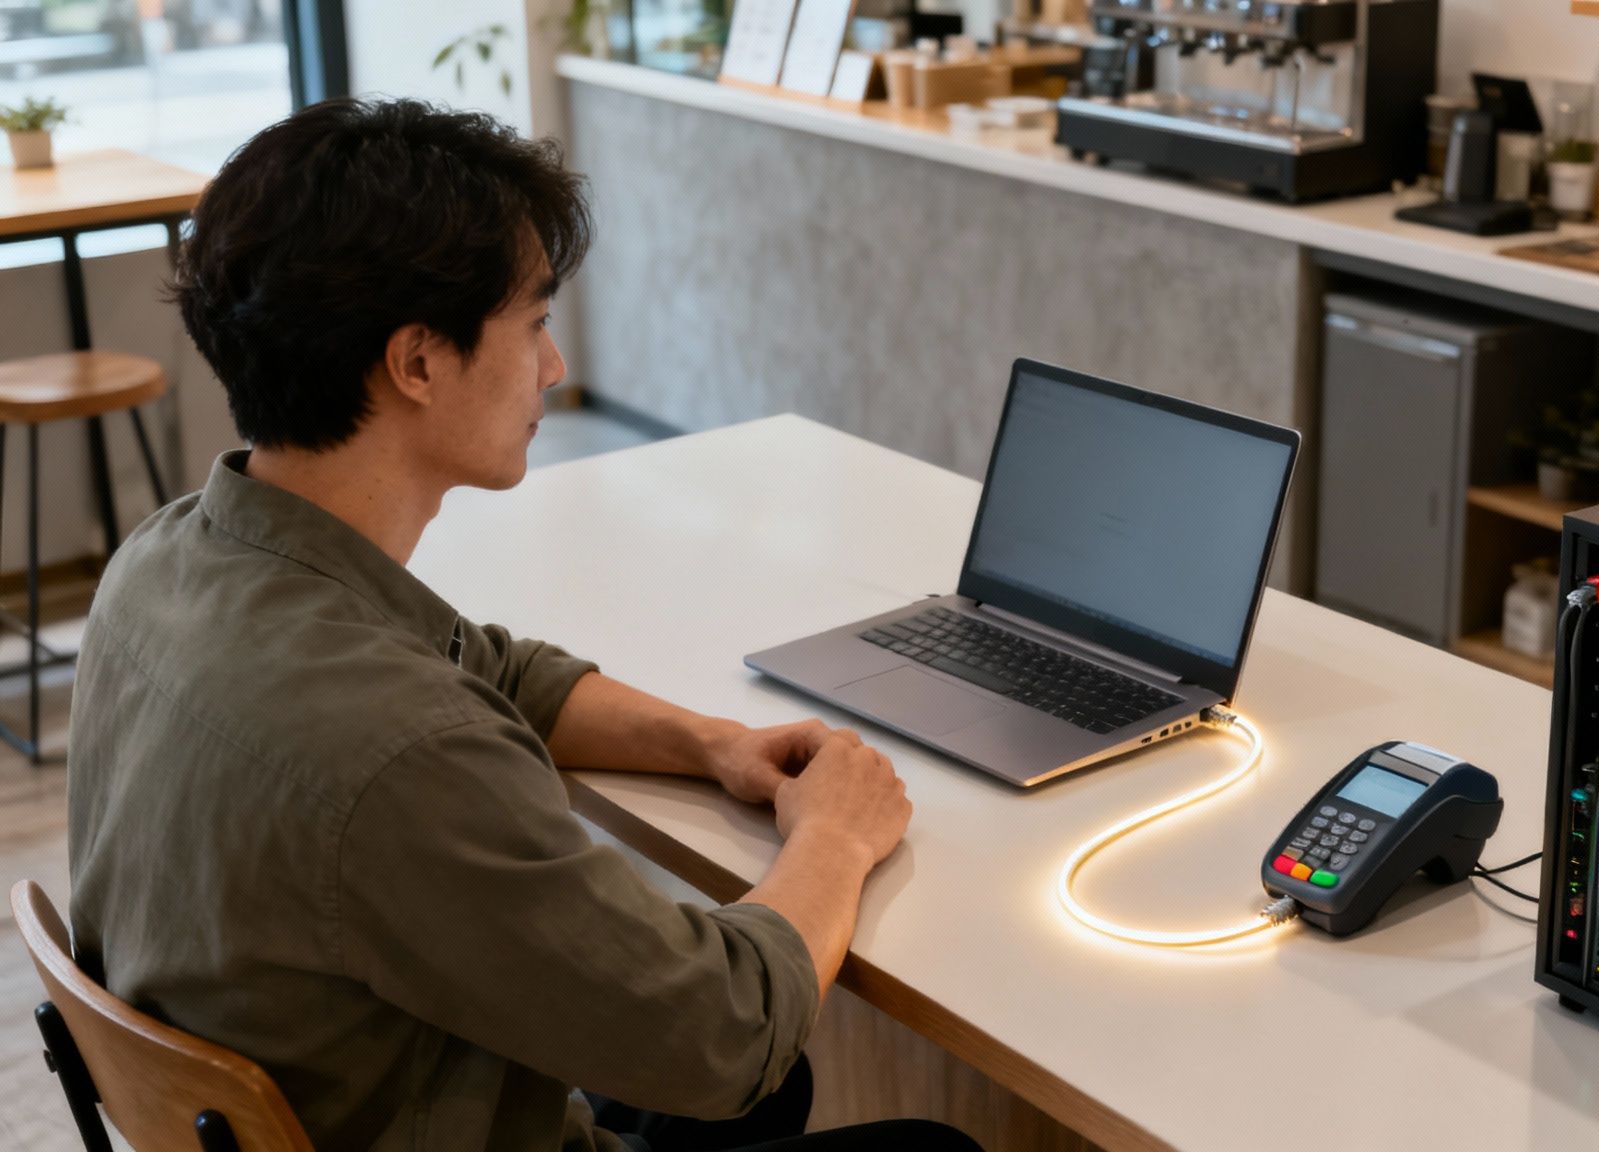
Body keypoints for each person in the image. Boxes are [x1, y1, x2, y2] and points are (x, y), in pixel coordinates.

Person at [65, 98, 979, 1152]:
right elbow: (725, 1036)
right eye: (535, 324)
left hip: (334, 1087)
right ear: (417, 362)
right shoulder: (400, 753)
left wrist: (714, 743)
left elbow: (486, 669)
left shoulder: (164, 560)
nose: (553, 367)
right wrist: (835, 836)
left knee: (775, 1083)